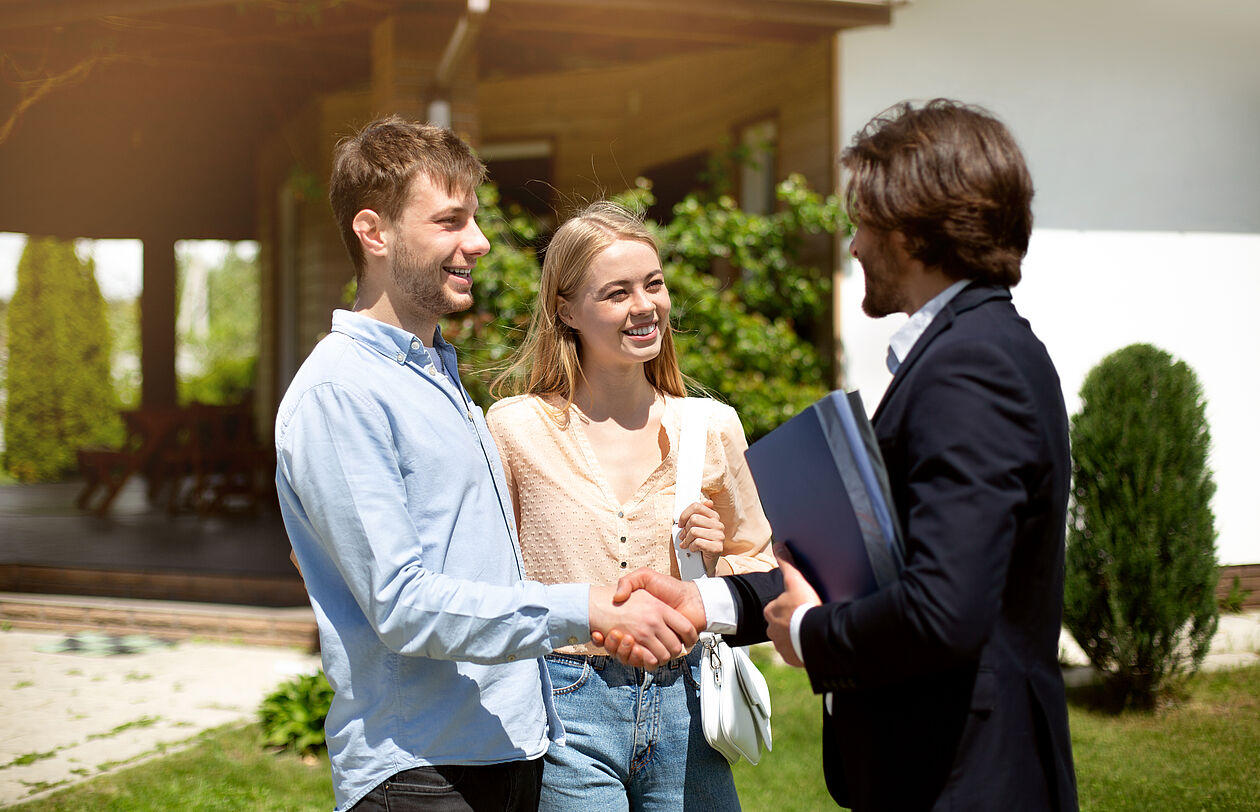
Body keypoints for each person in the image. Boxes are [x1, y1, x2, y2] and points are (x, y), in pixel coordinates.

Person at [607, 99, 1079, 811]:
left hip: (967, 777)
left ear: (913, 229)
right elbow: (870, 573)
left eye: (863, 220)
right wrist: (704, 602)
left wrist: (808, 632)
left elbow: (944, 609)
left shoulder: (970, 366)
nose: (853, 244)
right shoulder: (970, 352)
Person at [274, 117, 699, 812]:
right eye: (450, 221)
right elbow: (403, 606)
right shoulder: (341, 393)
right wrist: (584, 608)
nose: (479, 242)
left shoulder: (433, 377)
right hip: (421, 775)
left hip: (500, 752)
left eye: (472, 219)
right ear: (373, 233)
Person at [484, 200, 776, 810]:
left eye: (653, 284)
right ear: (566, 309)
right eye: (616, 292)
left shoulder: (711, 427)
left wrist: (714, 563)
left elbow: (762, 576)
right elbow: (489, 581)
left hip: (690, 707)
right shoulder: (515, 429)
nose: (644, 306)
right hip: (565, 705)